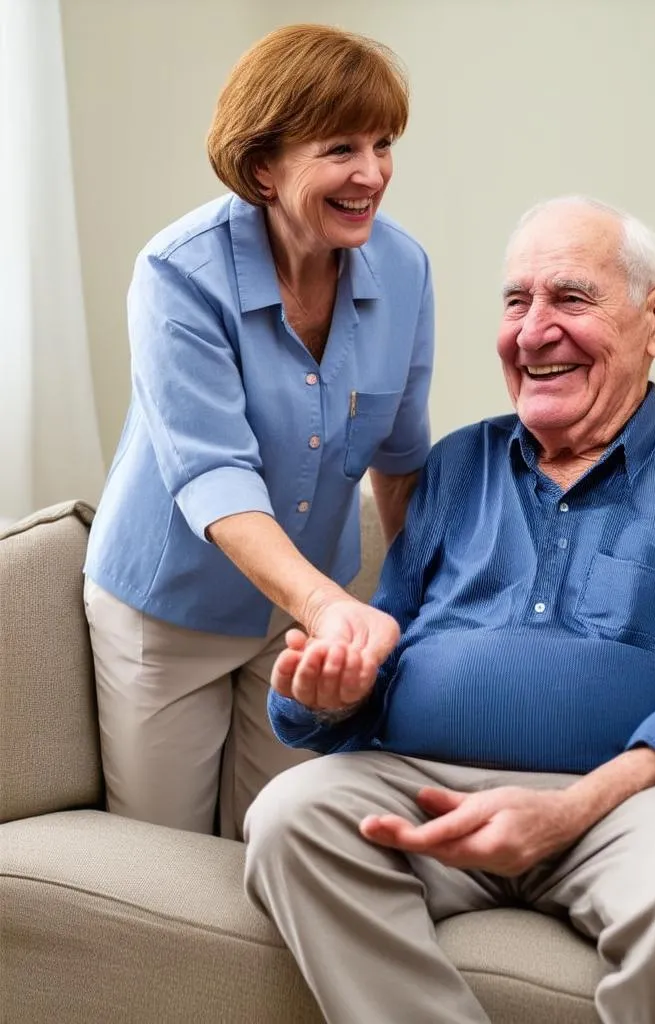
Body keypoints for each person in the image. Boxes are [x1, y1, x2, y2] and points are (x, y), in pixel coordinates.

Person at [244, 197, 655, 1024]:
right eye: (515, 302)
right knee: (289, 818)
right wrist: (332, 693)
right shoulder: (455, 466)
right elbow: (386, 648)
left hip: (640, 806)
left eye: (569, 297)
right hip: (434, 794)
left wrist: (574, 806)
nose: (532, 332)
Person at [83, 24, 434, 839]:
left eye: (383, 143)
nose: (372, 173)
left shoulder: (406, 268)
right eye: (341, 147)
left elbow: (403, 452)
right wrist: (325, 603)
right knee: (167, 866)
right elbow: (214, 473)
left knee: (278, 842)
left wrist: (414, 604)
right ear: (262, 166)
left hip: (301, 623)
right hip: (167, 613)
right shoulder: (177, 274)